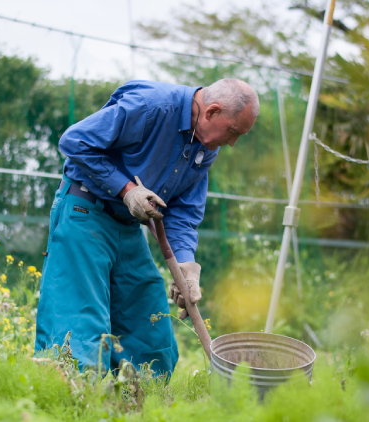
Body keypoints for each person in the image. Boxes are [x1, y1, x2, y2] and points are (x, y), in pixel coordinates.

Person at [35, 78, 259, 377]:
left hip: (128, 227)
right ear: (211, 112)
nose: (232, 143)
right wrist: (126, 189)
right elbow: (75, 140)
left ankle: (138, 400)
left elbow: (184, 212)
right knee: (80, 318)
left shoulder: (205, 147)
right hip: (84, 211)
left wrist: (185, 264)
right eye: (233, 132)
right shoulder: (150, 106)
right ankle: (76, 398)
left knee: (149, 320)